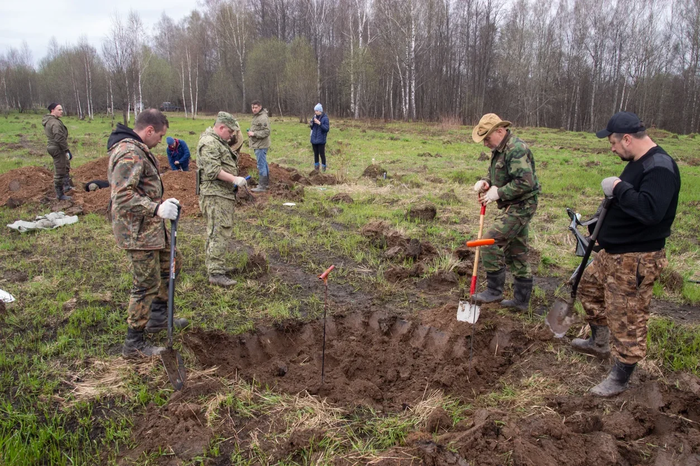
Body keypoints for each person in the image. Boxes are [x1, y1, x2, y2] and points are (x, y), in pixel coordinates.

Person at [571, 111, 680, 397]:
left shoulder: (660, 168)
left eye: (613, 142)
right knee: (588, 287)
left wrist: (619, 188)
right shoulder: (637, 162)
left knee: (628, 317)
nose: (612, 148)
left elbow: (650, 211)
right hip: (613, 252)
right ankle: (600, 341)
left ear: (628, 139)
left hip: (636, 258)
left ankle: (620, 377)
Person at [107, 109, 189, 359]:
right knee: (145, 284)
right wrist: (156, 208)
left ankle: (158, 318)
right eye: (160, 135)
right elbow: (121, 197)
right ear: (149, 130)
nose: (160, 141)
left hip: (151, 228)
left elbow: (141, 189)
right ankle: (134, 343)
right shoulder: (130, 153)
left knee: (170, 265)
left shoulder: (139, 150)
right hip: (138, 232)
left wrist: (163, 203)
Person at [471, 113, 540, 311]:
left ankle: (494, 291)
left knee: (488, 243)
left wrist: (498, 193)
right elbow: (500, 175)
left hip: (521, 207)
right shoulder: (499, 150)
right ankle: (521, 302)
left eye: (487, 138)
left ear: (500, 131)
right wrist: (487, 183)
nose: (485, 143)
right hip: (513, 205)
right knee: (516, 252)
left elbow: (526, 183)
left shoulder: (516, 149)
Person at [196, 112, 248, 287]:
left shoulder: (218, 142)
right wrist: (234, 179)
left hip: (222, 194)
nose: (232, 136)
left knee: (219, 231)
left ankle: (216, 266)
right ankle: (216, 273)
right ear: (221, 127)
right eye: (230, 132)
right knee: (219, 231)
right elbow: (212, 170)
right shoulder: (210, 143)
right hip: (215, 195)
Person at [42, 103, 73, 200]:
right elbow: (59, 138)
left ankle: (67, 186)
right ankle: (60, 194)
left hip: (56, 147)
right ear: (52, 110)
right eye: (59, 110)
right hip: (57, 148)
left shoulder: (52, 121)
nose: (61, 111)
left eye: (61, 109)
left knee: (65, 165)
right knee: (60, 170)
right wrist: (66, 149)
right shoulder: (54, 123)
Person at [247, 100, 271, 192]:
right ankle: (265, 184)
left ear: (260, 107)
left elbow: (266, 132)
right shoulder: (257, 117)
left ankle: (262, 186)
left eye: (256, 107)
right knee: (263, 163)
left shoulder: (262, 118)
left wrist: (254, 134)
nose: (254, 109)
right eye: (253, 107)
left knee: (261, 165)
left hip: (261, 145)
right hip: (258, 144)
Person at [310, 103, 330, 171]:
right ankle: (316, 169)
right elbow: (312, 128)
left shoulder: (325, 118)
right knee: (315, 154)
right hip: (314, 139)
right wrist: (311, 123)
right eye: (315, 111)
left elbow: (326, 129)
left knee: (322, 154)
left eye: (316, 111)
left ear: (320, 111)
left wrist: (319, 123)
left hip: (321, 140)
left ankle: (324, 169)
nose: (315, 112)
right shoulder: (314, 117)